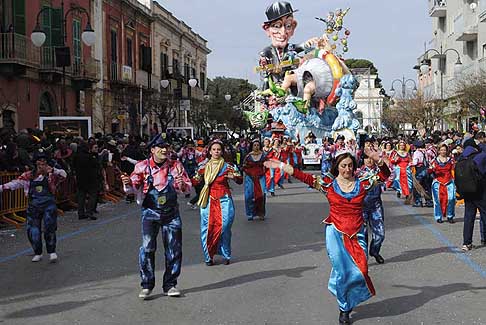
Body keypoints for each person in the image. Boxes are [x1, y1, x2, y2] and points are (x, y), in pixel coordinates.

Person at [266, 148, 390, 325]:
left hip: (357, 232)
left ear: (354, 166)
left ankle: (346, 295)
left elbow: (384, 176)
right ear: (337, 167)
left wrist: (379, 160)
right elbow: (305, 177)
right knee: (341, 272)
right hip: (335, 232)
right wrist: (281, 165)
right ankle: (344, 308)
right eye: (343, 166)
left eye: (350, 166)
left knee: (361, 271)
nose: (347, 169)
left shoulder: (364, 182)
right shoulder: (327, 183)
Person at [121, 134, 192, 299]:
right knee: (147, 248)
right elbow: (133, 187)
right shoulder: (142, 166)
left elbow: (187, 188)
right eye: (160, 147)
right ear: (152, 150)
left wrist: (181, 184)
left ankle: (170, 284)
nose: (164, 150)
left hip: (171, 213)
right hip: (150, 212)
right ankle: (147, 285)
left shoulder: (175, 166)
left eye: (166, 147)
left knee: (174, 250)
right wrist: (127, 184)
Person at [0, 150, 66, 262]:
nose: (41, 163)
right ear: (35, 163)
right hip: (33, 206)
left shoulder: (52, 174)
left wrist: (53, 170)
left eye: (44, 161)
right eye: (39, 161)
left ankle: (52, 251)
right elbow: (15, 183)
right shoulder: (28, 175)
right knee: (33, 231)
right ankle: (38, 252)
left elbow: (64, 175)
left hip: (49, 204)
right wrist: (2, 187)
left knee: (49, 227)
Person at [194, 140, 243, 265]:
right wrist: (196, 179)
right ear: (210, 151)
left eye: (218, 150)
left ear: (222, 152)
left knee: (225, 227)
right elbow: (194, 181)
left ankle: (225, 253)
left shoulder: (228, 166)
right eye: (214, 149)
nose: (216, 152)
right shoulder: (203, 166)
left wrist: (235, 177)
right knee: (208, 228)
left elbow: (240, 179)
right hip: (209, 200)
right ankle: (208, 256)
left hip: (224, 199)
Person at [357, 151, 387, 264]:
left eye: (371, 158)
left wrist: (384, 185)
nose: (369, 161)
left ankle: (375, 251)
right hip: (361, 207)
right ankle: (363, 258)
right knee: (362, 234)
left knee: (380, 233)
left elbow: (390, 174)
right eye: (366, 158)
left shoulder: (379, 171)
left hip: (376, 205)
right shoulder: (357, 172)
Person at [456, 138, 486, 251]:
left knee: (469, 217)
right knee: (484, 214)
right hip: (480, 191)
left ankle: (467, 243)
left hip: (466, 191)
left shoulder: (461, 158)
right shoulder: (479, 156)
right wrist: (481, 144)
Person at [428, 143, 456, 224]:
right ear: (439, 151)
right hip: (438, 182)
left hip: (449, 182)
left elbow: (453, 170)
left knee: (451, 199)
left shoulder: (451, 160)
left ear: (447, 150)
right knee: (437, 200)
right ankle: (438, 216)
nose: (443, 151)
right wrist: (432, 169)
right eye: (441, 150)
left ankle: (450, 216)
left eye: (444, 150)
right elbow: (429, 171)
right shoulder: (434, 160)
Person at [73, 142, 101, 220]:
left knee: (81, 196)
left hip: (80, 179)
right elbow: (96, 165)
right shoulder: (89, 157)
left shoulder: (76, 156)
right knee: (92, 195)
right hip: (91, 179)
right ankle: (89, 212)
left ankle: (80, 213)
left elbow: (74, 166)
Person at [242, 139, 267, 221]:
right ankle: (250, 213)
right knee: (249, 196)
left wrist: (262, 173)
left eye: (258, 145)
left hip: (260, 177)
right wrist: (250, 173)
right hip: (250, 177)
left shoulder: (263, 155)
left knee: (261, 195)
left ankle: (261, 213)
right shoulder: (248, 156)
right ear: (252, 146)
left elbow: (267, 165)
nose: (256, 147)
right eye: (254, 145)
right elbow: (244, 167)